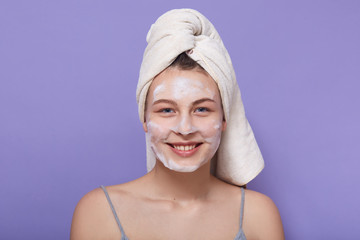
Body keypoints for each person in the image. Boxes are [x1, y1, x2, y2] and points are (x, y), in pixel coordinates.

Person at [71, 9, 284, 240]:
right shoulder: (99, 212)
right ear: (145, 119)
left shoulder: (258, 215)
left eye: (201, 109)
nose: (185, 128)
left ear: (224, 119)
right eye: (167, 110)